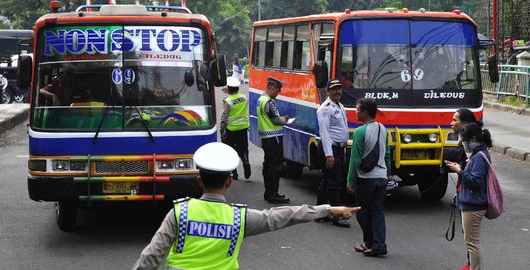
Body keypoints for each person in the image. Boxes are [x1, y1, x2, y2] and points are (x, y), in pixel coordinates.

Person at [132, 142, 360, 270]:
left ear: (199, 180)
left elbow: (151, 257)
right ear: (229, 182)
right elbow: (283, 216)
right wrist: (327, 209)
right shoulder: (239, 218)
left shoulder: (179, 213)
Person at [445, 123, 493, 270]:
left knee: (472, 243)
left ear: (473, 139)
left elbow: (474, 181)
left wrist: (459, 170)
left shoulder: (479, 157)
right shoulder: (477, 154)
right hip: (471, 202)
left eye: (464, 140)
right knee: (472, 242)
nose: (464, 143)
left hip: (473, 205)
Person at [347, 98, 391, 257]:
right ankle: (378, 244)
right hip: (381, 177)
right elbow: (387, 153)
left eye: (357, 109)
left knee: (362, 212)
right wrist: (388, 173)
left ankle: (370, 243)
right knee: (377, 211)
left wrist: (350, 180)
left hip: (366, 178)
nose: (356, 112)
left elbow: (355, 159)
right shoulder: (383, 129)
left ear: (365, 112)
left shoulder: (360, 131)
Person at [315, 79, 351, 228]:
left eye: (339, 89)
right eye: (334, 89)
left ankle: (320, 212)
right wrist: (329, 155)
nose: (338, 92)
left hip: (338, 149)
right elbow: (324, 134)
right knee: (335, 183)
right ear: (328, 92)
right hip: (330, 149)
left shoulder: (340, 106)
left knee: (327, 181)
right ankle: (336, 216)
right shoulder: (325, 109)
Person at [450, 108, 480, 270]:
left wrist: (458, 170)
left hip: (472, 197)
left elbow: (473, 176)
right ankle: (470, 264)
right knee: (468, 236)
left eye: (455, 120)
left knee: (472, 239)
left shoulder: (476, 151)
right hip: (464, 191)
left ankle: (472, 265)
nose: (451, 123)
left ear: (465, 123)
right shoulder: (464, 142)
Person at [256, 76, 290, 204]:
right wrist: (285, 120)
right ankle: (273, 194)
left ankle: (268, 192)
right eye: (278, 90)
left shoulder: (260, 99)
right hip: (273, 137)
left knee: (268, 165)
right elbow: (275, 119)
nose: (278, 93)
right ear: (273, 88)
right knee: (275, 166)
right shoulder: (269, 101)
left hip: (265, 137)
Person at [220, 77, 251, 180]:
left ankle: (234, 172)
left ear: (228, 88)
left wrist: (222, 131)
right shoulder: (244, 97)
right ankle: (246, 161)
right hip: (243, 127)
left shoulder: (227, 101)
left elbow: (224, 118)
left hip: (232, 128)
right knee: (243, 147)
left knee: (230, 149)